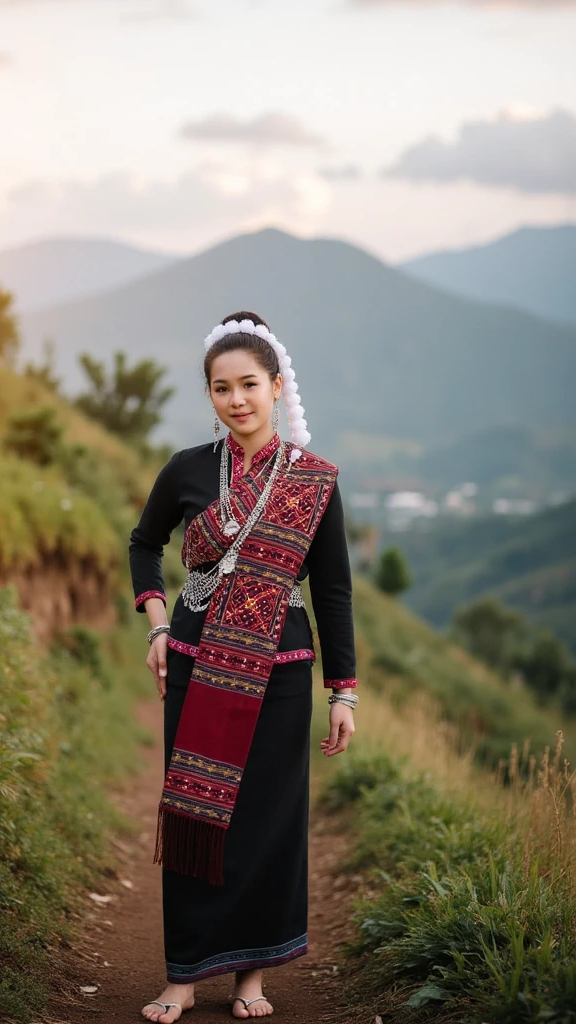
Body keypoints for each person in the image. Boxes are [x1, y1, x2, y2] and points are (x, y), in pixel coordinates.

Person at [129, 312, 358, 1022]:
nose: (237, 400)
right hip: (197, 663)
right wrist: (159, 623)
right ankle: (184, 976)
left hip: (283, 671)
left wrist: (342, 692)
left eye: (250, 385)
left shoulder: (313, 483)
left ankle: (250, 977)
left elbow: (333, 590)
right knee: (197, 813)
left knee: (267, 822)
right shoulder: (188, 469)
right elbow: (145, 543)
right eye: (222, 388)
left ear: (277, 387)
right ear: (210, 394)